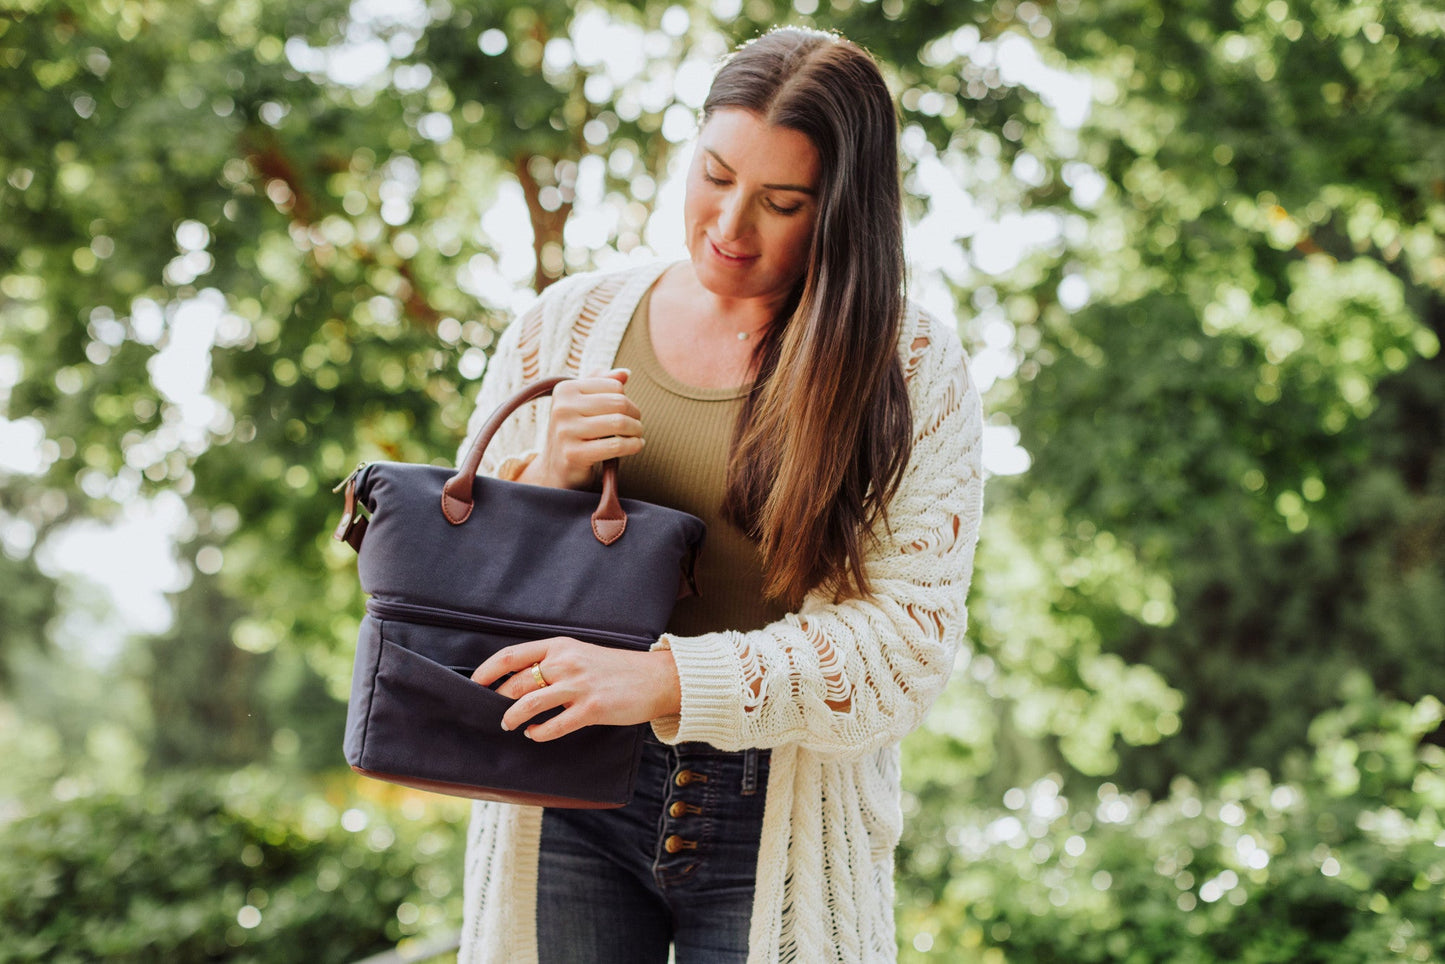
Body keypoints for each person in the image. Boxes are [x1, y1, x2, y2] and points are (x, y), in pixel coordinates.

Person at [456, 26, 983, 964]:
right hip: (564, 796)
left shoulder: (907, 368)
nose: (728, 227)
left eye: (781, 203)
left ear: (843, 212)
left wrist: (662, 681)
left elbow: (908, 646)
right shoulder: (565, 326)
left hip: (776, 810)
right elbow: (460, 591)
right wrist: (548, 479)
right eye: (713, 174)